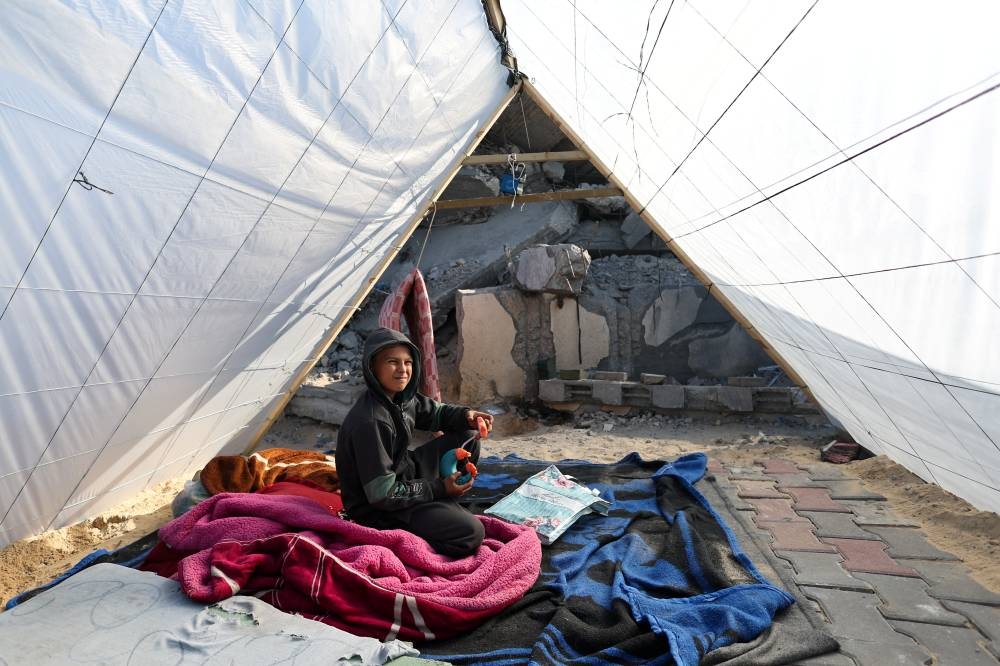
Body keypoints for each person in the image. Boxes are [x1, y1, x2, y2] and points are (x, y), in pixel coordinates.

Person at [335, 327, 494, 558]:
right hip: (379, 508)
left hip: (404, 474)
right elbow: (382, 494)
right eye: (392, 362)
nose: (403, 370)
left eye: (408, 362)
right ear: (372, 367)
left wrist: (467, 416)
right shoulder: (370, 422)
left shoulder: (401, 398)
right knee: (471, 533)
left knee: (467, 436)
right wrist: (438, 488)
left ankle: (440, 505)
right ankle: (432, 512)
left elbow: (436, 414)